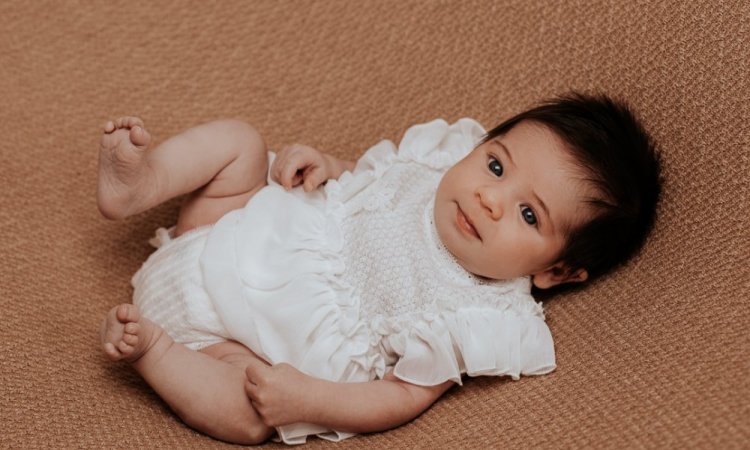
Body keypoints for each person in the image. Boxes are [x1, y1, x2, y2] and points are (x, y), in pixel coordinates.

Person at [98, 93, 661, 445]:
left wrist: (308, 400)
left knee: (250, 418)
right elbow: (367, 175)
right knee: (241, 143)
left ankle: (153, 351)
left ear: (557, 271)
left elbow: (399, 396)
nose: (491, 198)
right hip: (226, 225)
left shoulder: (476, 315)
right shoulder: (434, 161)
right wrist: (328, 166)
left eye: (528, 213)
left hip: (231, 344)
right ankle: (140, 185)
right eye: (496, 165)